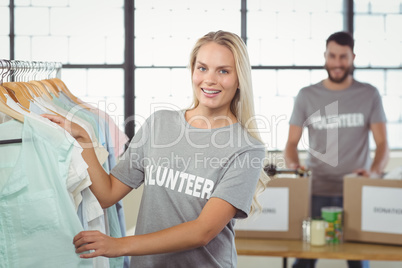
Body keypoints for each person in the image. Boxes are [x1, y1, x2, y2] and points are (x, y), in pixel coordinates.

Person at [44, 30, 269, 268]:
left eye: (223, 71)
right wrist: (84, 139)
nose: (209, 80)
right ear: (192, 71)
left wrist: (119, 245)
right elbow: (107, 194)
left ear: (239, 79)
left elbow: (202, 231)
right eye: (202, 68)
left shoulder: (248, 149)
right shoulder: (159, 123)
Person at [284, 31, 389, 268]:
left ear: (352, 57)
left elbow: (382, 144)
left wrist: (373, 173)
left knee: (358, 260)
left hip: (355, 192)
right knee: (305, 259)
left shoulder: (369, 94)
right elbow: (291, 144)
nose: (337, 63)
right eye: (332, 56)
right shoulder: (306, 95)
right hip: (315, 190)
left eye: (343, 57)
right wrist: (294, 168)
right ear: (325, 56)